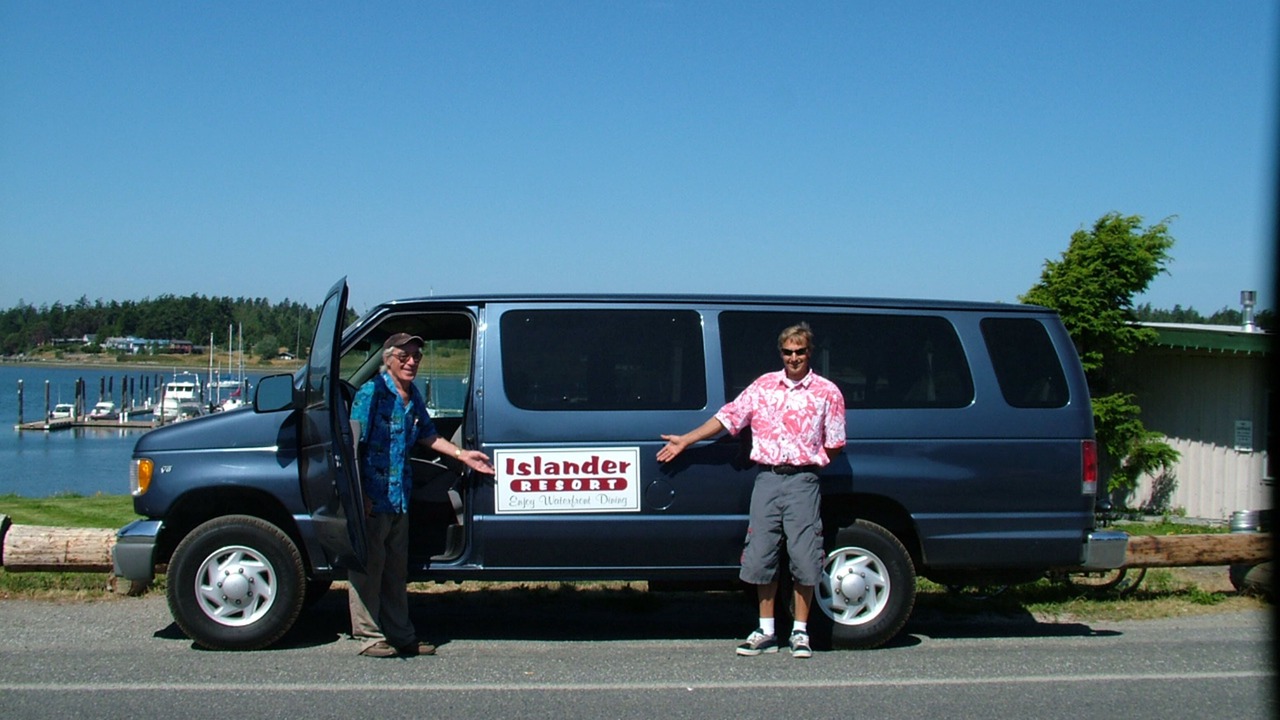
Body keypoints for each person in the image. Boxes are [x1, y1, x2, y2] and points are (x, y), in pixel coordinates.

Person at [657, 322, 845, 659]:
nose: (794, 358)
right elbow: (728, 418)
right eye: (788, 352)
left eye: (800, 352)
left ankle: (800, 632)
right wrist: (686, 439)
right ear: (781, 353)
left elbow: (834, 443)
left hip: (803, 481)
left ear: (809, 352)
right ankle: (766, 630)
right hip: (767, 479)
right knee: (761, 554)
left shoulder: (827, 392)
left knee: (804, 557)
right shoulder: (763, 386)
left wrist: (807, 463)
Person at [348, 332, 495, 658]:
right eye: (404, 356)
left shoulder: (412, 395)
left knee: (395, 571)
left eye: (416, 356)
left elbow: (428, 436)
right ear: (388, 359)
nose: (411, 362)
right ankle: (369, 636)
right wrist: (361, 494)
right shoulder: (371, 393)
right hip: (373, 497)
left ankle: (402, 635)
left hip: (400, 497)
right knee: (369, 569)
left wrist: (463, 455)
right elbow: (354, 446)